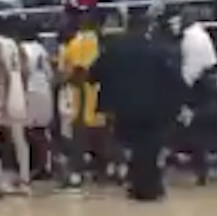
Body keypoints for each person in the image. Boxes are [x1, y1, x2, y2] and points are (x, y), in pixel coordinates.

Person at [92, 11, 182, 201]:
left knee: (133, 145)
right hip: (153, 105)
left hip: (123, 107)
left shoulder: (115, 48)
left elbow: (94, 74)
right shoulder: (159, 48)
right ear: (147, 27)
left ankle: (138, 184)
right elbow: (173, 79)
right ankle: (150, 185)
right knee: (149, 146)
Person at [58, 11, 113, 190]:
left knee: (79, 138)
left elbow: (77, 73)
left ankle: (77, 173)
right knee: (102, 136)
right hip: (102, 96)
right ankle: (103, 171)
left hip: (81, 98)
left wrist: (61, 81)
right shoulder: (103, 44)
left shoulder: (76, 44)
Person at [169, 9, 217, 184]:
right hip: (204, 84)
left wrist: (182, 92)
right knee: (193, 128)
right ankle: (196, 165)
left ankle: (198, 168)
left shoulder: (192, 38)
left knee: (191, 126)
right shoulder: (200, 34)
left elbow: (191, 69)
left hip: (198, 86)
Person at [0, 16, 31, 195]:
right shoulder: (15, 44)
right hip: (18, 91)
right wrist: (22, 91)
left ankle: (0, 179)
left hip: (2, 93)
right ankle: (25, 180)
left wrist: (4, 98)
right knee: (19, 139)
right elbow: (25, 70)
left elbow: (3, 71)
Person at [19, 21, 57, 181]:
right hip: (45, 90)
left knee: (28, 130)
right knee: (40, 130)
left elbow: (25, 72)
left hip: (31, 92)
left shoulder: (22, 48)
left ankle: (45, 164)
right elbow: (50, 74)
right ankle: (45, 164)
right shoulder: (41, 49)